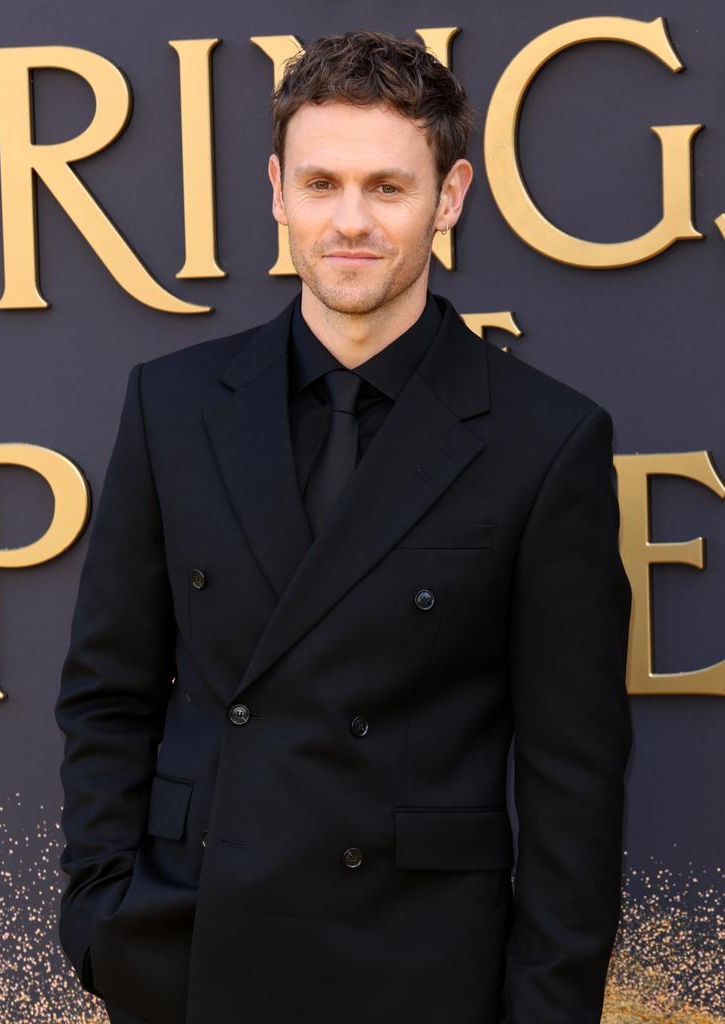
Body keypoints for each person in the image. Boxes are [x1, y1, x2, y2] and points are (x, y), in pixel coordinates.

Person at [55, 28, 633, 1024]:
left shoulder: (547, 439)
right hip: (196, 954)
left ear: (448, 199)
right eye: (322, 184)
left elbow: (572, 776)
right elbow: (107, 692)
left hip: (423, 970)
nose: (350, 223)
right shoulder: (173, 403)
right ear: (278, 191)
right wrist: (103, 922)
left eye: (388, 188)